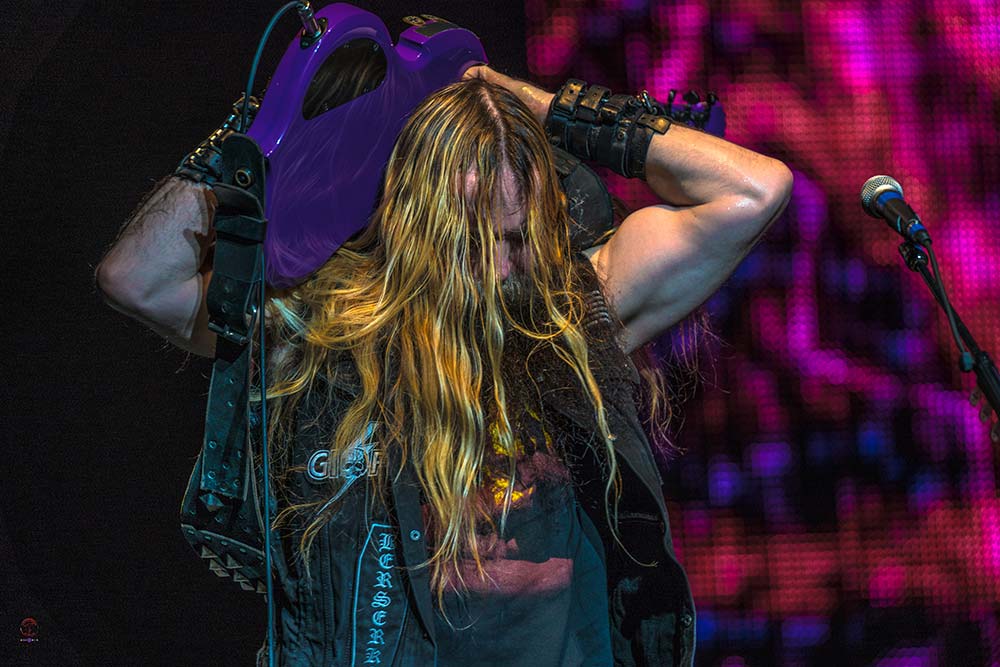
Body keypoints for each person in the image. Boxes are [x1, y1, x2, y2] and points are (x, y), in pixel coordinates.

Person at [96, 65, 792, 666]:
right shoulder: (325, 336)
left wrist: (532, 103)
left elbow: (754, 190)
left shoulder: (572, 316)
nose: (498, 269)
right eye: (471, 240)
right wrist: (266, 128)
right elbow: (137, 280)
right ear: (412, 221)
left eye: (515, 238)